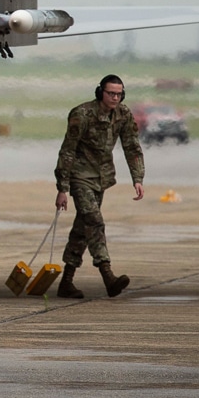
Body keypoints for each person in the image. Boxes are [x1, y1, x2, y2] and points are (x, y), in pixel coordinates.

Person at [54, 74, 145, 298]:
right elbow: (67, 150)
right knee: (95, 221)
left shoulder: (122, 114)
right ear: (100, 92)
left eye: (119, 94)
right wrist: (62, 188)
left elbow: (132, 146)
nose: (115, 98)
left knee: (82, 230)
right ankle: (107, 274)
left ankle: (66, 281)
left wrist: (138, 178)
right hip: (79, 176)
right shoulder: (81, 114)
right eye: (111, 93)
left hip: (101, 178)